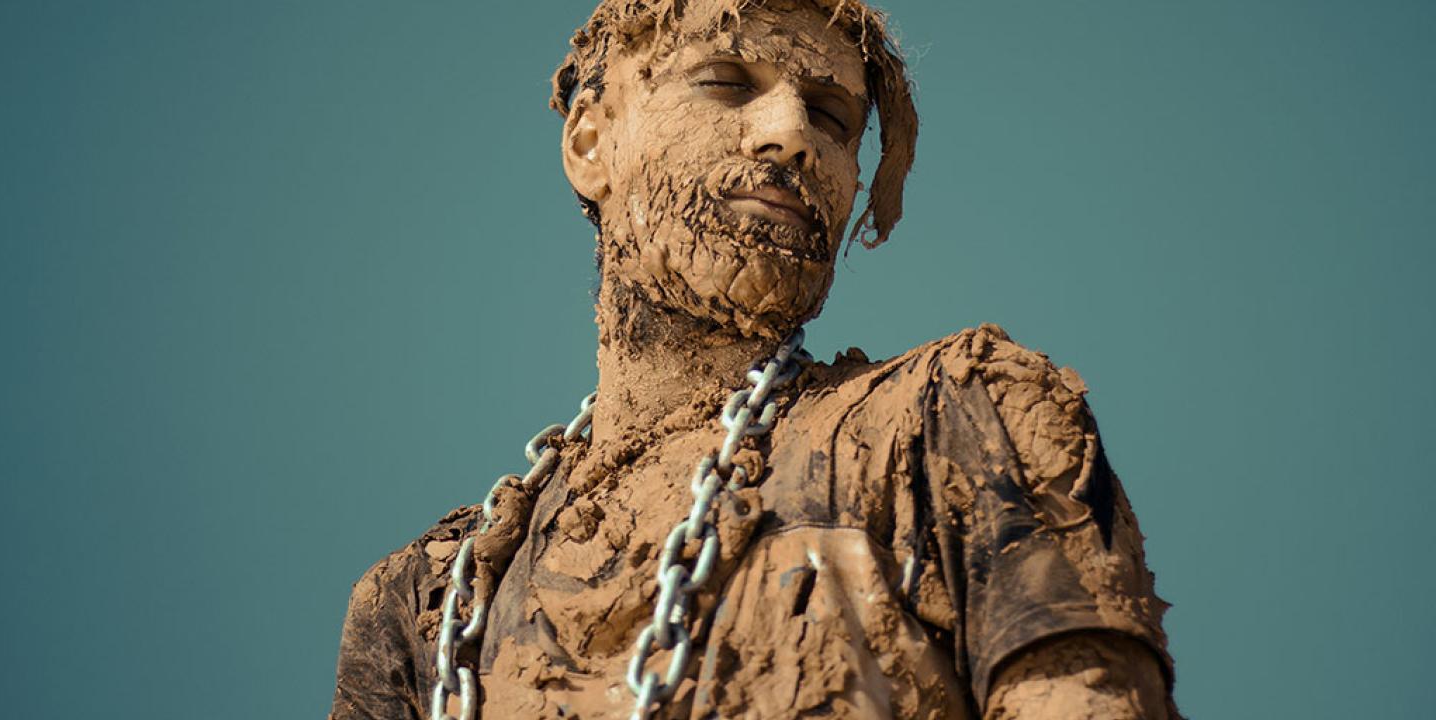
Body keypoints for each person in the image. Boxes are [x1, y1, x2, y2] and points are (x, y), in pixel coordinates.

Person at [329, 1, 1177, 718]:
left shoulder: (954, 416)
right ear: (591, 145)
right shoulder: (429, 603)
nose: (793, 137)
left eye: (834, 117)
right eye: (728, 82)